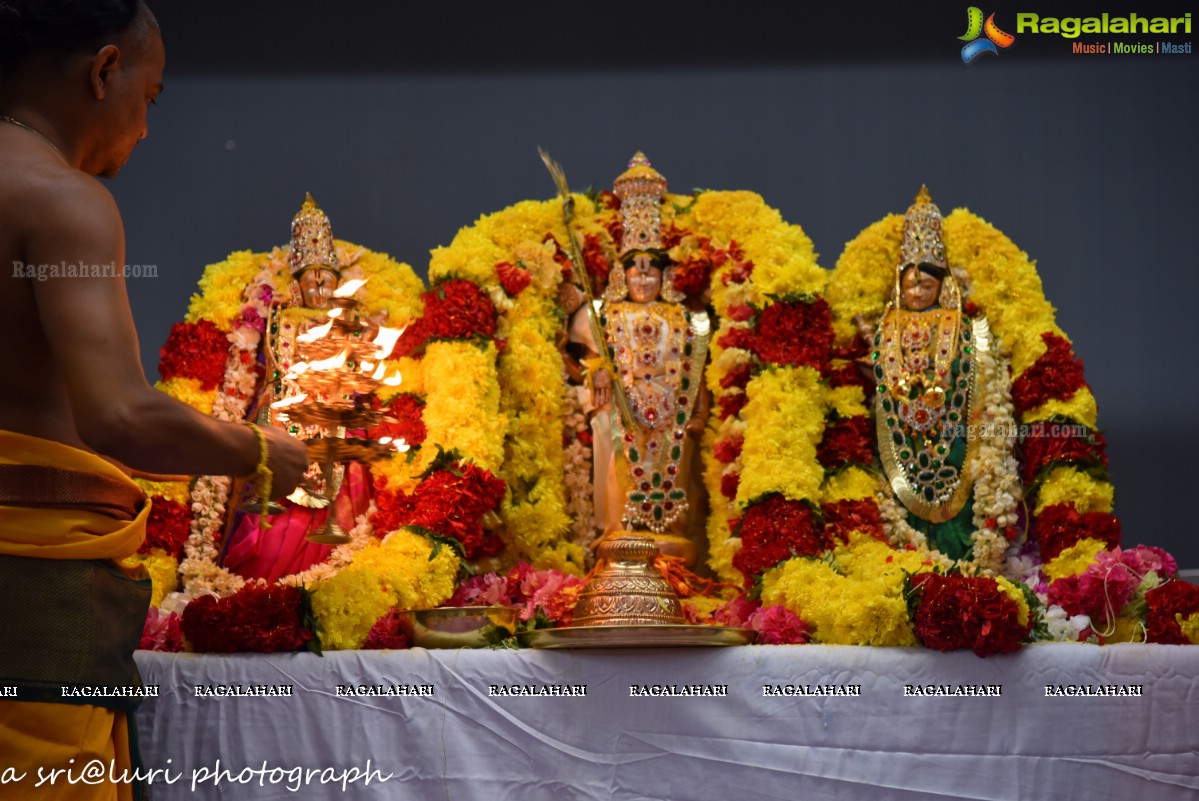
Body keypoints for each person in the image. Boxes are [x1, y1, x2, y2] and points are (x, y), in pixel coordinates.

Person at [0, 2, 307, 798]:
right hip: (25, 591)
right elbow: (122, 416)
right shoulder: (57, 200)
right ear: (104, 71)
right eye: (152, 95)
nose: (144, 126)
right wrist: (261, 452)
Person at [569, 153, 711, 565]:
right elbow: (590, 359)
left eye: (651, 273)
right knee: (619, 479)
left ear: (664, 277)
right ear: (622, 277)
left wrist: (697, 406)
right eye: (636, 273)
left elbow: (693, 366)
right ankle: (621, 539)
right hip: (624, 417)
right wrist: (597, 372)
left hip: (672, 418)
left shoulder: (683, 315)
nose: (644, 280)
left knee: (677, 479)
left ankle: (672, 542)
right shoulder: (607, 314)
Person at [855, 187, 1007, 562]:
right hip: (901, 429)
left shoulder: (961, 324)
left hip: (951, 429)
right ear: (898, 285)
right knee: (897, 499)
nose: (918, 291)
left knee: (960, 489)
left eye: (926, 284)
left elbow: (975, 368)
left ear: (943, 283)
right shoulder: (887, 325)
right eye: (910, 284)